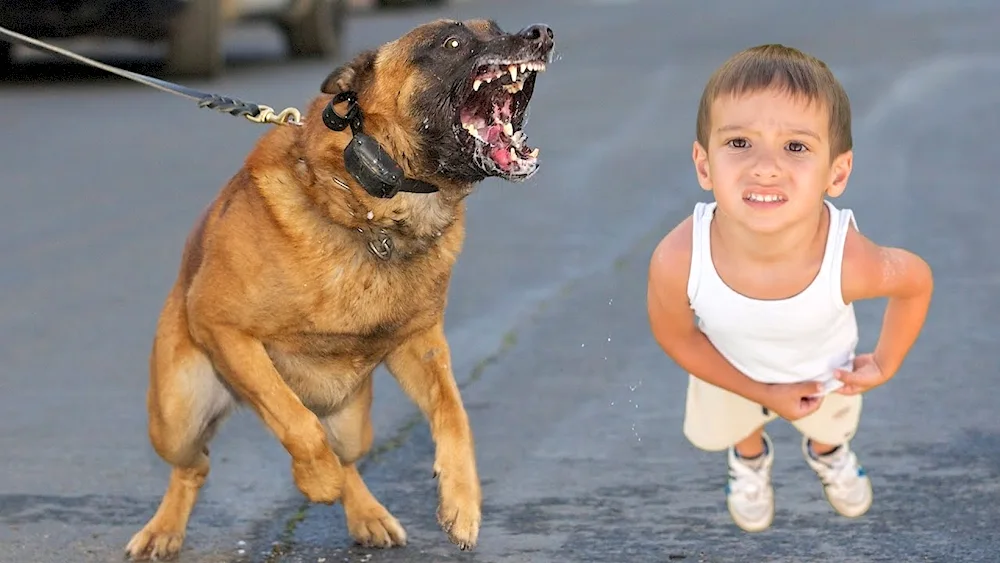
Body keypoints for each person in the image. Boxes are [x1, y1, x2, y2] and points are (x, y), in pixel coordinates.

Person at [645, 43, 934, 532]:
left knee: (827, 425)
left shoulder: (848, 260)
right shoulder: (679, 258)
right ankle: (750, 458)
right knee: (742, 423)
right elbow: (678, 336)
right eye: (739, 142)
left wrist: (886, 362)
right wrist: (761, 392)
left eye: (795, 147)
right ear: (703, 165)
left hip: (824, 375)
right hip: (727, 372)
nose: (765, 166)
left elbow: (914, 281)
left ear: (836, 173)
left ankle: (828, 453)